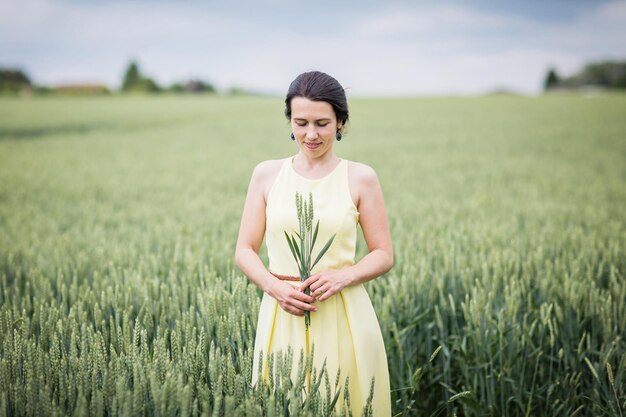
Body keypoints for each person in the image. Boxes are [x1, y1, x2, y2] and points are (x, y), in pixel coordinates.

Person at [235, 70, 393, 416]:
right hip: (282, 312)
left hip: (342, 314)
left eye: (322, 123)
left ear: (340, 122)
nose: (310, 134)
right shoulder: (266, 174)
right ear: (289, 121)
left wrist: (343, 276)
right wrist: (275, 288)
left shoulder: (360, 177)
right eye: (301, 121)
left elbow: (383, 254)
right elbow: (244, 250)